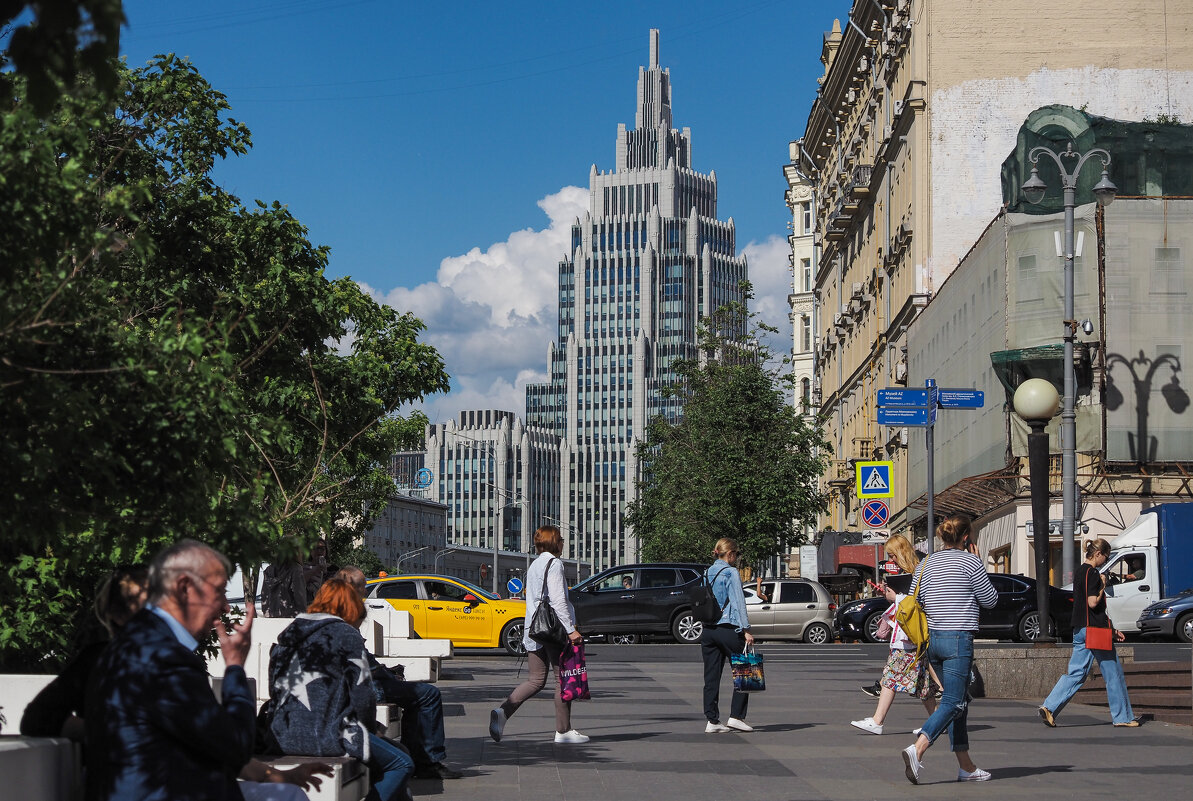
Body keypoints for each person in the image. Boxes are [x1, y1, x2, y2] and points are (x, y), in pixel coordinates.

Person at [84, 540, 258, 801]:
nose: (225, 606)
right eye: (220, 591)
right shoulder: (162, 657)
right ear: (185, 587)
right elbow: (235, 744)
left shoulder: (138, 642)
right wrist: (234, 666)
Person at [262, 579, 414, 801]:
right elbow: (363, 696)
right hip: (326, 735)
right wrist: (371, 730)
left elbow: (273, 689)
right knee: (401, 763)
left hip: (281, 734)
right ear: (350, 608)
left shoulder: (288, 635)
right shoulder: (344, 634)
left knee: (395, 756)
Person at [335, 566, 463, 779]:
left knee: (418, 696)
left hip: (365, 681)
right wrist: (385, 675)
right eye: (361, 587)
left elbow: (363, 658)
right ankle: (427, 761)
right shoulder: (346, 614)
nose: (365, 592)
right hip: (364, 687)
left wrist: (386, 671)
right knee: (427, 694)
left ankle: (420, 757)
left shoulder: (338, 610)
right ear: (347, 587)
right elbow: (362, 664)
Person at [899, 516, 998, 785]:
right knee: (954, 701)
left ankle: (966, 767)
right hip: (958, 639)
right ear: (966, 538)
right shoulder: (970, 561)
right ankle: (918, 749)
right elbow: (990, 600)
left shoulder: (926, 563)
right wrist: (979, 566)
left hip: (933, 641)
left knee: (959, 703)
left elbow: (914, 598)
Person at [489, 524, 587, 745]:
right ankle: (563, 731)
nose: (563, 543)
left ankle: (503, 712)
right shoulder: (555, 564)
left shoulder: (534, 565)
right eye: (561, 539)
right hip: (553, 630)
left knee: (535, 680)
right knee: (561, 679)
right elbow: (558, 599)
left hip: (534, 629)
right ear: (554, 542)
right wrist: (570, 629)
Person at [1038, 538, 1140, 728]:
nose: (1105, 561)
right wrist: (1102, 584)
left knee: (1076, 673)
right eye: (1105, 557)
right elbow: (1093, 603)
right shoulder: (1093, 573)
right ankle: (1123, 717)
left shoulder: (1079, 572)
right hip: (1096, 630)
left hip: (1080, 630)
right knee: (1113, 673)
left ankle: (1049, 707)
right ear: (1098, 554)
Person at [851, 536, 938, 735]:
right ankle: (938, 722)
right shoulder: (911, 571)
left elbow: (917, 601)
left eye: (892, 555)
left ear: (901, 552)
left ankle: (877, 721)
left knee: (890, 678)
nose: (892, 560)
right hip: (908, 635)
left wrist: (895, 597)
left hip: (908, 637)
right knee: (924, 686)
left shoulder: (917, 572)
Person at [700, 537, 754, 734]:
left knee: (711, 677)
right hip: (729, 629)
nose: (736, 558)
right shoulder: (731, 572)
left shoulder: (707, 572)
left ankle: (712, 720)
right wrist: (746, 629)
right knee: (745, 670)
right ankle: (736, 717)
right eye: (735, 554)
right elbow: (739, 602)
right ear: (730, 554)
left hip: (708, 631)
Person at [262, 538, 308, 617]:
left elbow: (264, 595)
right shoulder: (296, 569)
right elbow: (300, 596)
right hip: (290, 617)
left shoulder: (269, 570)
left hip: (270, 615)